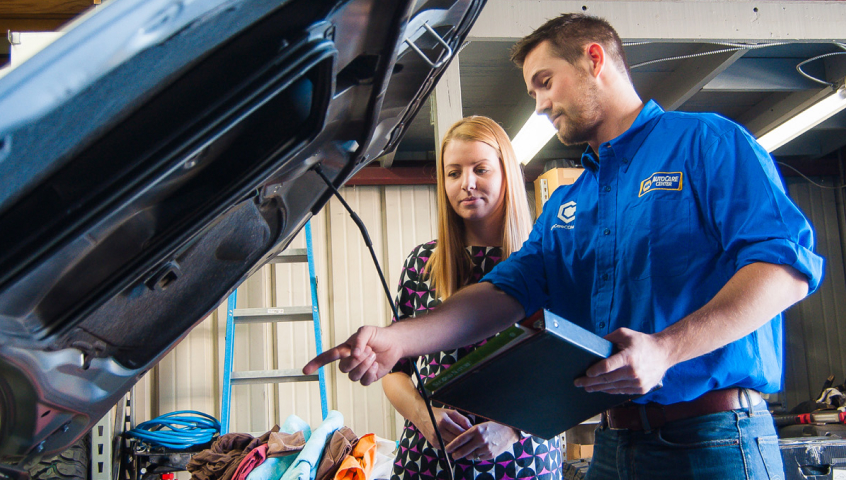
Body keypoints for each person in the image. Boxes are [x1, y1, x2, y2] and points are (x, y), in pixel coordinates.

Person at [305, 13, 826, 480]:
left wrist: (666, 350)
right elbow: (504, 292)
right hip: (614, 442)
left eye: (544, 82)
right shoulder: (568, 202)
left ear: (593, 59)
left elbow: (785, 267)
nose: (540, 104)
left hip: (711, 438)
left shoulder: (706, 142)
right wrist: (401, 340)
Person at [383, 116, 561, 480]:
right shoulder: (423, 264)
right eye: (453, 172)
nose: (467, 184)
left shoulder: (548, 261)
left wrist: (510, 428)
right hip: (433, 462)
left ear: (505, 173)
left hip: (523, 460)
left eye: (481, 169)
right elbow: (394, 371)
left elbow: (567, 374)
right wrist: (423, 415)